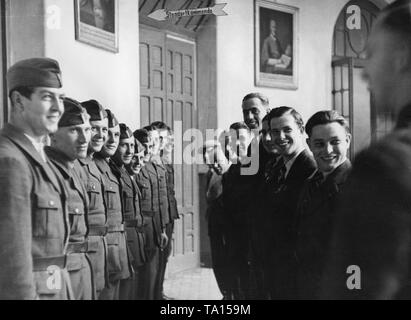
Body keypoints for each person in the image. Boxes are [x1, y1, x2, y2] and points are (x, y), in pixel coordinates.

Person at [321, 0, 411, 299]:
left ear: (402, 58)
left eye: (371, 54)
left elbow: (359, 289)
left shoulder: (385, 163)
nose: (364, 72)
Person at [0, 58, 71, 299]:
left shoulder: (37, 155)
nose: (58, 108)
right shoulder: (10, 161)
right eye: (47, 97)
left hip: (55, 288)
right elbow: (13, 263)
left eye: (60, 98)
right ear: (19, 101)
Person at [294, 110, 351, 299]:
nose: (327, 151)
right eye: (319, 144)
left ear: (348, 141)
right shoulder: (310, 181)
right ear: (309, 145)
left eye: (335, 142)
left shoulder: (359, 187)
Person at [264, 106, 317, 299]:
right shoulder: (279, 165)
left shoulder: (310, 169)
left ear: (301, 130)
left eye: (287, 129)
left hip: (295, 273)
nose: (281, 136)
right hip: (277, 267)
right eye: (275, 131)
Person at [45, 97, 93, 300]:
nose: (84, 139)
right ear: (52, 133)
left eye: (87, 130)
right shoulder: (46, 173)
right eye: (74, 130)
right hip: (60, 278)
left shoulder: (73, 169)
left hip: (81, 270)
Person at [95, 109, 130, 300]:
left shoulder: (111, 168)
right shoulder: (94, 168)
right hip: (102, 260)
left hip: (115, 256)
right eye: (107, 133)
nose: (111, 139)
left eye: (116, 134)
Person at [75, 99, 108, 299]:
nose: (101, 135)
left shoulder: (94, 163)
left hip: (99, 256)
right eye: (94, 129)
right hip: (83, 259)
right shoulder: (73, 166)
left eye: (104, 130)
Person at [112, 124, 146, 300]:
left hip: (133, 242)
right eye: (124, 145)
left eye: (131, 146)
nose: (129, 151)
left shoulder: (126, 174)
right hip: (122, 244)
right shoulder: (115, 172)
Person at [222, 122, 255, 299]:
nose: (237, 143)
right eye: (233, 140)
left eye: (241, 139)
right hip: (234, 238)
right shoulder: (233, 169)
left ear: (250, 139)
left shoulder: (256, 167)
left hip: (249, 239)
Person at [133, 129, 164, 300]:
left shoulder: (151, 168)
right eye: (143, 147)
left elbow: (156, 204)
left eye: (150, 146)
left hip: (152, 231)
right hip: (139, 234)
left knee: (151, 279)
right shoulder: (135, 169)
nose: (147, 150)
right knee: (141, 283)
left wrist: (160, 230)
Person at [151, 121, 179, 300]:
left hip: (169, 215)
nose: (164, 142)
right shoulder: (152, 161)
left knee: (165, 256)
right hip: (157, 218)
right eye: (160, 138)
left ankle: (158, 292)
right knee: (156, 259)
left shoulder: (166, 162)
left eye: (166, 138)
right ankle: (153, 294)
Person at [202, 140, 232, 300]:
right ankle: (225, 294)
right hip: (214, 226)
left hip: (227, 230)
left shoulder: (231, 173)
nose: (207, 158)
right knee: (218, 263)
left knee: (227, 264)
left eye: (210, 153)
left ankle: (230, 294)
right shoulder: (210, 173)